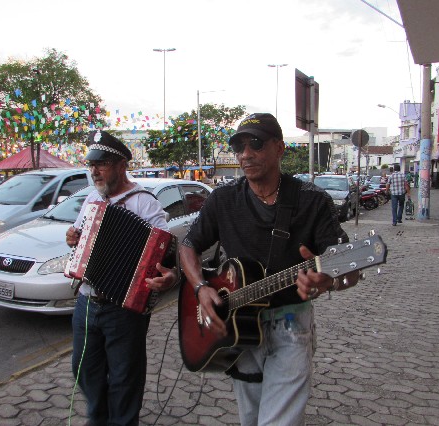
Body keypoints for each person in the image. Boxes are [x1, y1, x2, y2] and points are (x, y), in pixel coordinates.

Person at [179, 113, 359, 426]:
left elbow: (349, 270)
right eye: (239, 146)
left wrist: (327, 281)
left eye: (256, 144)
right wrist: (200, 287)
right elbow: (187, 247)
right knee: (250, 418)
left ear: (279, 148)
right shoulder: (223, 199)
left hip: (290, 326)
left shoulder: (311, 201)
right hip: (239, 329)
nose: (245, 154)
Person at [65, 130, 178, 426]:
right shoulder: (92, 198)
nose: (94, 171)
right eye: (91, 165)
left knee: (124, 378)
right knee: (83, 367)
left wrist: (168, 277)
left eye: (100, 164)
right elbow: (79, 238)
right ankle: (99, 418)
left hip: (124, 309)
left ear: (120, 165)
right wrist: (72, 237)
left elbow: (164, 254)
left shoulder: (145, 203)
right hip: (87, 301)